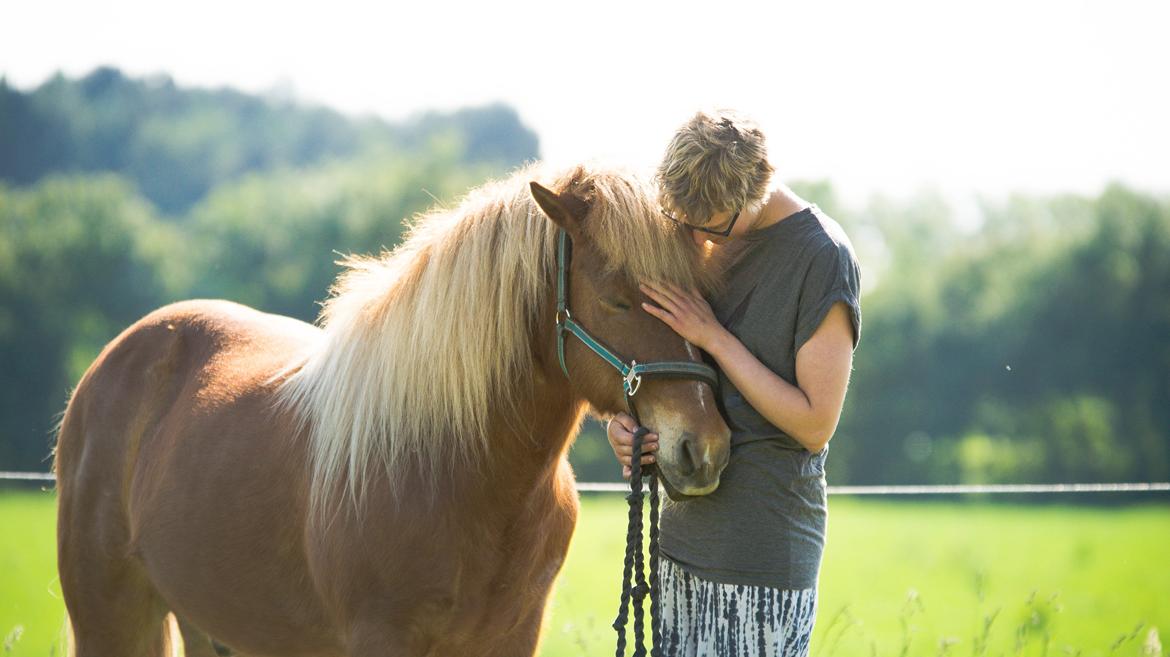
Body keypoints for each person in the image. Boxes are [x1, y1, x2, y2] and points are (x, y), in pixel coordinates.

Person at [607, 109, 861, 656]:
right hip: (678, 546)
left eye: (712, 224)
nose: (697, 237)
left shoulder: (821, 257)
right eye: (684, 219)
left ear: (757, 190)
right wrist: (626, 425)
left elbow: (816, 425)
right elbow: (659, 366)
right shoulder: (691, 230)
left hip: (762, 556)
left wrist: (716, 337)